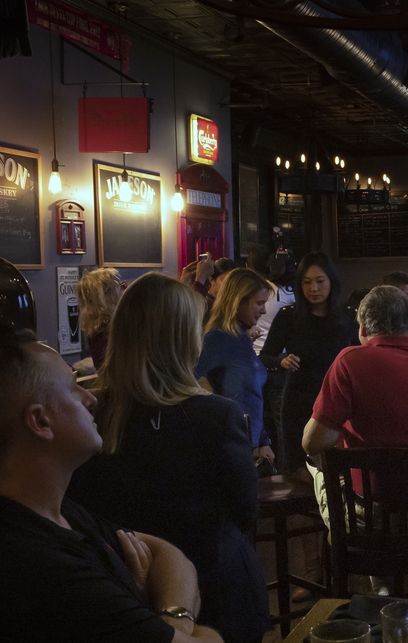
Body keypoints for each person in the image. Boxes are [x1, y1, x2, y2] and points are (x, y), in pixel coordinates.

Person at [0, 333, 222, 642]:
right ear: (41, 421)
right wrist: (181, 622)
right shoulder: (33, 565)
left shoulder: (36, 508)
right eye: (74, 388)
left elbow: (171, 556)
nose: (91, 398)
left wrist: (171, 621)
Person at [70, 274, 268, 643]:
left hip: (125, 589)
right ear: (182, 338)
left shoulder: (89, 413)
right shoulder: (215, 416)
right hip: (214, 590)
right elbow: (244, 510)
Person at [302, 286, 408, 523]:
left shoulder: (348, 361)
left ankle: (341, 555)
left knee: (314, 464)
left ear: (363, 328)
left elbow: (312, 442)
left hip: (368, 514)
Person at [260, 251, 357, 475]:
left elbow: (359, 355)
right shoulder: (288, 316)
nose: (313, 288)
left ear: (331, 282)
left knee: (339, 465)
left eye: (320, 281)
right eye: (307, 282)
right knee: (297, 467)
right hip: (298, 399)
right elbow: (265, 356)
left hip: (339, 399)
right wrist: (281, 360)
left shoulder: (347, 317)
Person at [196, 268, 275, 460]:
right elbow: (198, 391)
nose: (264, 310)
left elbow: (251, 396)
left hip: (247, 445)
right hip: (229, 448)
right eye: (259, 303)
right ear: (238, 301)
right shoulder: (216, 339)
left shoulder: (240, 338)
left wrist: (263, 440)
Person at [76, 267, 124, 370]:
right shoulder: (111, 330)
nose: (124, 289)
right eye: (120, 286)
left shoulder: (97, 327)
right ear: (108, 295)